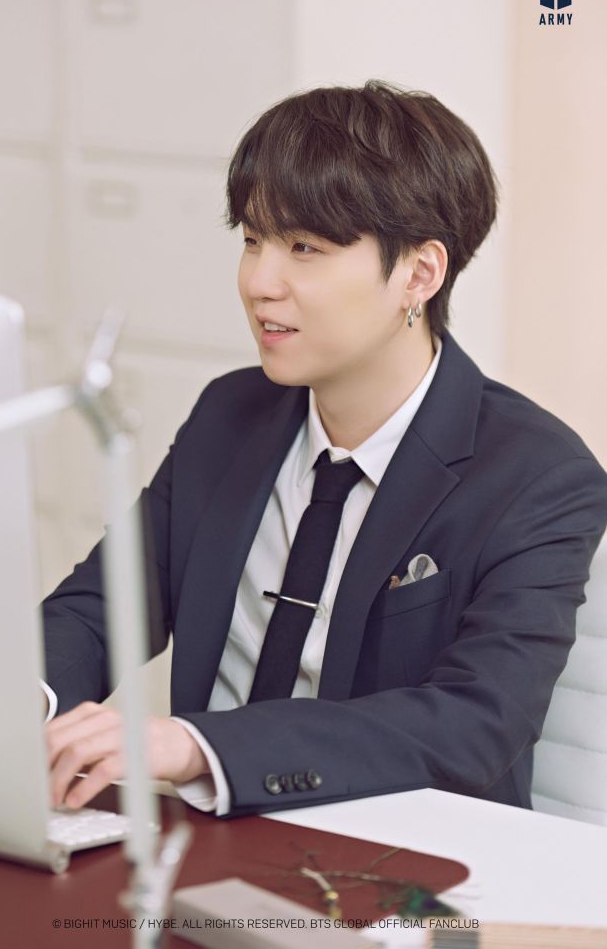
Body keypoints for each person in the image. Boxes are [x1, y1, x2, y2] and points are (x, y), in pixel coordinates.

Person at [42, 80, 607, 818]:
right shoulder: (230, 414)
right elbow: (101, 607)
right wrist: (21, 703)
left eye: (304, 248)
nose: (258, 282)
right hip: (211, 839)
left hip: (409, 857)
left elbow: (475, 723)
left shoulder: (537, 474)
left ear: (419, 273)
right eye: (252, 240)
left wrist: (198, 747)